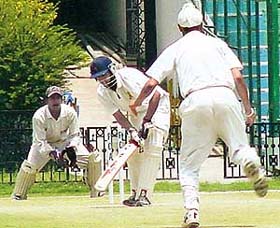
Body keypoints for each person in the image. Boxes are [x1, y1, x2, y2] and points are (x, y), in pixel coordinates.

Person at [129, 3, 268, 228]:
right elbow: (239, 79)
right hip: (226, 95)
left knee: (189, 165)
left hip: (195, 100)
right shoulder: (218, 44)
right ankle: (250, 161)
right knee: (239, 147)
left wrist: (137, 103)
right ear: (202, 25)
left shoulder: (176, 48)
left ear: (179, 28)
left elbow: (152, 82)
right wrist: (248, 110)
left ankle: (192, 211)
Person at [90, 56, 170, 206]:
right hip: (136, 113)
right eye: (98, 78)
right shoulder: (102, 92)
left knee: (153, 145)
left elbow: (156, 95)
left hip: (157, 107)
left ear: (111, 70)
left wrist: (147, 121)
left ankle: (145, 194)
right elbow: (118, 115)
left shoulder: (129, 75)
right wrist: (132, 131)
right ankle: (135, 193)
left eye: (103, 75)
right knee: (134, 152)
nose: (102, 80)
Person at [12, 86, 102, 200]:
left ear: (62, 99)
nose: (55, 101)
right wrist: (52, 153)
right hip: (43, 145)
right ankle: (18, 194)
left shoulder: (70, 112)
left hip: (64, 143)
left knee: (93, 159)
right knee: (29, 167)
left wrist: (71, 148)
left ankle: (97, 191)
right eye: (52, 98)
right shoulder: (39, 116)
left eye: (58, 98)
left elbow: (75, 135)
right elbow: (40, 141)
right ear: (46, 100)